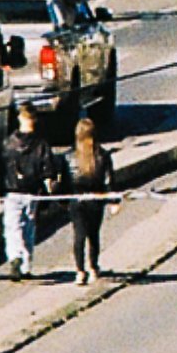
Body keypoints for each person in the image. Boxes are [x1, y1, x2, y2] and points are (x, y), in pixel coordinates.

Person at [0, 102, 45, 283]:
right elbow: (48, 168)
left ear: (20, 118)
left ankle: (14, 256)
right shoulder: (41, 144)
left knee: (12, 227)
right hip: (32, 191)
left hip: (12, 191)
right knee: (29, 227)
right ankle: (26, 265)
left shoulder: (8, 144)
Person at [67, 109, 109, 288]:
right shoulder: (102, 155)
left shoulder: (70, 157)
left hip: (76, 201)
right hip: (96, 200)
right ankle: (93, 267)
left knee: (79, 235)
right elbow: (109, 180)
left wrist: (62, 200)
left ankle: (79, 271)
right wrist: (113, 200)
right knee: (93, 234)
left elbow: (63, 181)